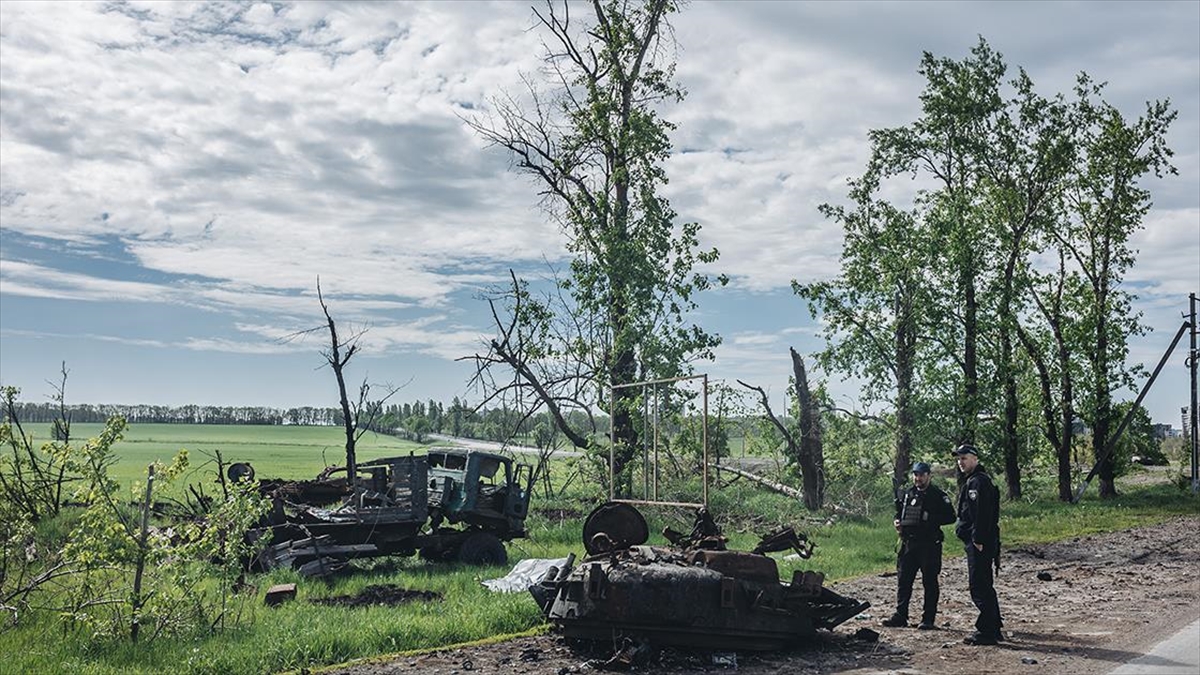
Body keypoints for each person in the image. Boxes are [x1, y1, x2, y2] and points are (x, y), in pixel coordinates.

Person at [882, 461, 956, 629]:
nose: (918, 478)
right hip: (909, 543)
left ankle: (928, 619)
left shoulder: (937, 495)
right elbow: (900, 511)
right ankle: (901, 615)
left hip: (929, 544)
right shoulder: (908, 493)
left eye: (922, 475)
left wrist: (930, 518)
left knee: (929, 581)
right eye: (916, 475)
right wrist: (897, 522)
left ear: (929, 475)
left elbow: (951, 517)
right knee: (904, 580)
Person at [952, 443, 1004, 645]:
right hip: (980, 541)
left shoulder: (977, 483)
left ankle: (987, 631)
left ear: (975, 459)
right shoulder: (975, 481)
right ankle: (995, 626)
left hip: (979, 543)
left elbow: (981, 514)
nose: (961, 462)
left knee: (979, 587)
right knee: (985, 585)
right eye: (959, 459)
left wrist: (978, 539)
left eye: (964, 458)